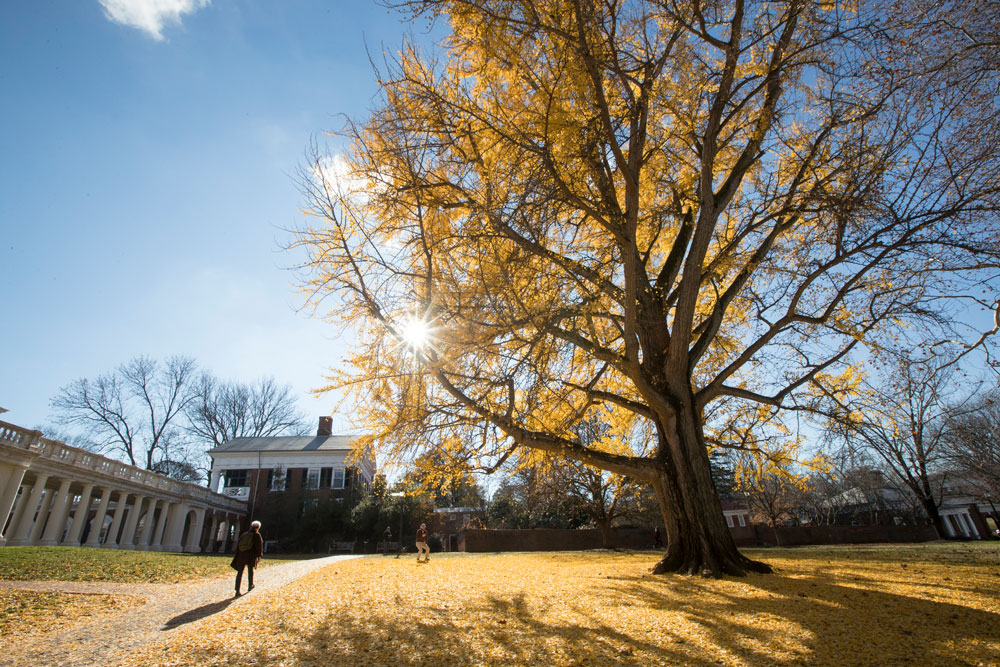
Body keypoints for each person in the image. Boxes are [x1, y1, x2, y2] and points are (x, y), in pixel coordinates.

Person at [231, 520, 264, 597]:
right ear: (258, 527)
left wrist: (238, 555)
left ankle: (237, 590)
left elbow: (238, 546)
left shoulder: (244, 535)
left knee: (239, 573)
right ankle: (250, 585)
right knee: (250, 571)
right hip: (250, 556)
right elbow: (259, 546)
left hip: (242, 556)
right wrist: (259, 556)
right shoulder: (256, 535)